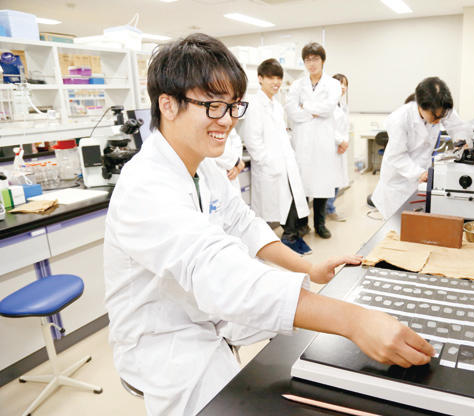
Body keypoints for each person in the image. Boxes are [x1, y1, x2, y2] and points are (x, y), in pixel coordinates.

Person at [103, 34, 434, 416]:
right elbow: (218, 270)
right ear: (168, 105)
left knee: (304, 335)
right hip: (165, 338)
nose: (227, 120)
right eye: (213, 106)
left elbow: (243, 224)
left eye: (232, 106)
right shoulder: (144, 186)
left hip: (206, 310)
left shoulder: (202, 169)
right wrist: (354, 322)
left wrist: (309, 267)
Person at [371, 77, 473, 219]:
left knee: (418, 221)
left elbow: (458, 127)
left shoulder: (441, 108)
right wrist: (419, 173)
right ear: (421, 105)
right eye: (435, 116)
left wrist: (461, 141)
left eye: (442, 116)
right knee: (397, 225)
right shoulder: (399, 119)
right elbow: (397, 156)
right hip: (398, 182)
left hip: (421, 177)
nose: (439, 120)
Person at [240, 58, 312, 255]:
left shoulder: (277, 106)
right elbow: (253, 141)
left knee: (293, 201)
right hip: (270, 167)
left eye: (278, 78)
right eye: (271, 78)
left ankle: (292, 236)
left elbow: (282, 135)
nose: (276, 82)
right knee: (280, 205)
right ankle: (287, 239)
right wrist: (269, 162)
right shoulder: (255, 106)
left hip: (285, 162)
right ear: (260, 79)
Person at [285, 42, 341, 239]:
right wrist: (312, 111)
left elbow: (328, 108)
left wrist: (305, 106)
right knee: (302, 187)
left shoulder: (333, 84)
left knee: (321, 186)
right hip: (303, 142)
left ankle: (320, 224)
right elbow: (291, 109)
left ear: (323, 61)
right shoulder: (297, 85)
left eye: (315, 59)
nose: (311, 63)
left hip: (323, 142)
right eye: (307, 60)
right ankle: (303, 224)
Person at [325, 73, 350, 222]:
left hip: (340, 147)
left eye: (345, 84)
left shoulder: (343, 106)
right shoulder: (328, 104)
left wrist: (344, 142)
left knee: (337, 180)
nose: (343, 87)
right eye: (339, 83)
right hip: (331, 146)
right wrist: (341, 141)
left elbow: (346, 128)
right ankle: (329, 209)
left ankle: (330, 208)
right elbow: (327, 127)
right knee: (330, 181)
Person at [214, 127, 246, 195]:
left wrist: (236, 165)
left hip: (232, 172)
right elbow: (212, 147)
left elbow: (235, 140)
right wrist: (235, 161)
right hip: (215, 172)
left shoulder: (227, 123)